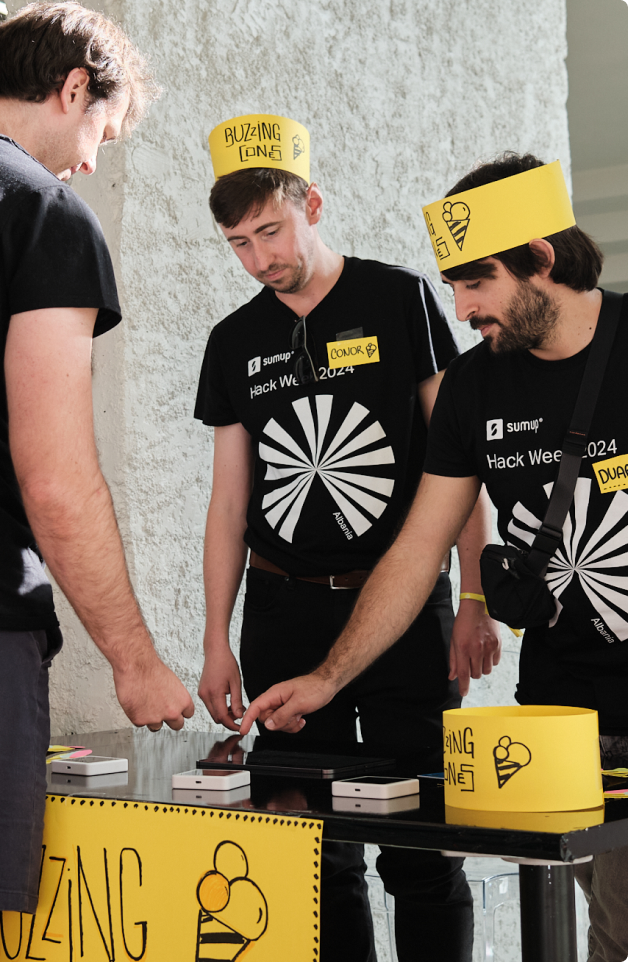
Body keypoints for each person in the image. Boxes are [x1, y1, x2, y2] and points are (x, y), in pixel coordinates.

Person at [241, 152, 628, 962]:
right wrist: (327, 677)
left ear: (541, 259)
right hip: (570, 718)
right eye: (451, 285)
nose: (460, 307)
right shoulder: (472, 388)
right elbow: (418, 551)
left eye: (476, 283)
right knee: (612, 926)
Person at [0, 4, 194, 960]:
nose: (90, 164)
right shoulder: (38, 209)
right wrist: (136, 662)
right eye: (101, 134)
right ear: (74, 88)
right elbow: (58, 478)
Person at [195, 114, 500, 962]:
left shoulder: (399, 297)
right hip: (281, 613)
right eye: (238, 244)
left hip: (402, 611)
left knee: (419, 852)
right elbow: (228, 505)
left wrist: (475, 598)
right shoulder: (232, 341)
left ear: (313, 204)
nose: (260, 260)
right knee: (312, 855)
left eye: (271, 230)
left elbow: (461, 468)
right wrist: (216, 641)